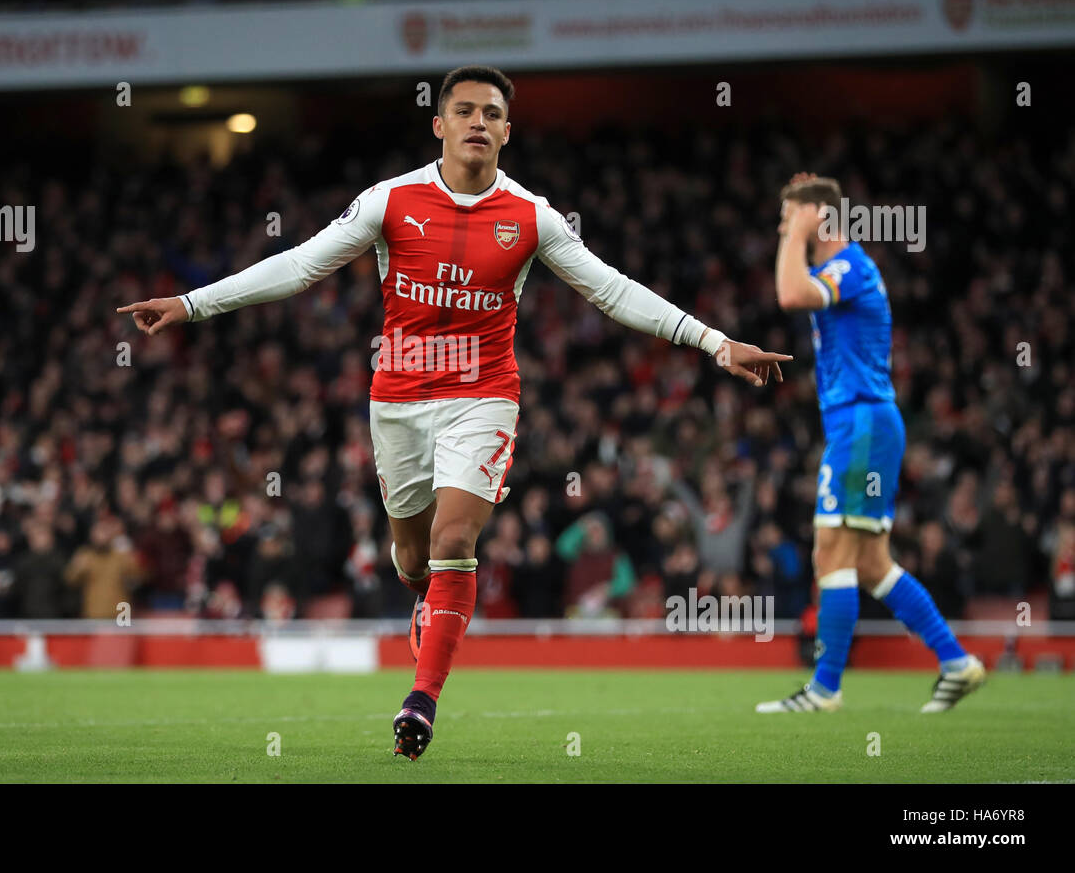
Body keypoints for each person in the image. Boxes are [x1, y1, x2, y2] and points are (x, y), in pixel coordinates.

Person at [119, 65, 790, 759]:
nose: (478, 122)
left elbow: (613, 292)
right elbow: (300, 266)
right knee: (413, 558)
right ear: (438, 125)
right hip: (398, 402)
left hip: (484, 397)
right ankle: (424, 601)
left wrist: (715, 343)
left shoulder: (532, 217)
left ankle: (422, 699)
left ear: (506, 130)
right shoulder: (391, 201)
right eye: (464, 110)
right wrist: (192, 303)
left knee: (454, 543)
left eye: (491, 113)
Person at [757, 173, 985, 714]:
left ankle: (825, 688)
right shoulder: (840, 270)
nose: (784, 229)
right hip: (860, 425)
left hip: (861, 425)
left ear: (819, 217)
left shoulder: (850, 266)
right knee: (873, 565)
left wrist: (799, 229)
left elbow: (789, 294)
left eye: (791, 218)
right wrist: (799, 227)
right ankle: (957, 663)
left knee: (830, 552)